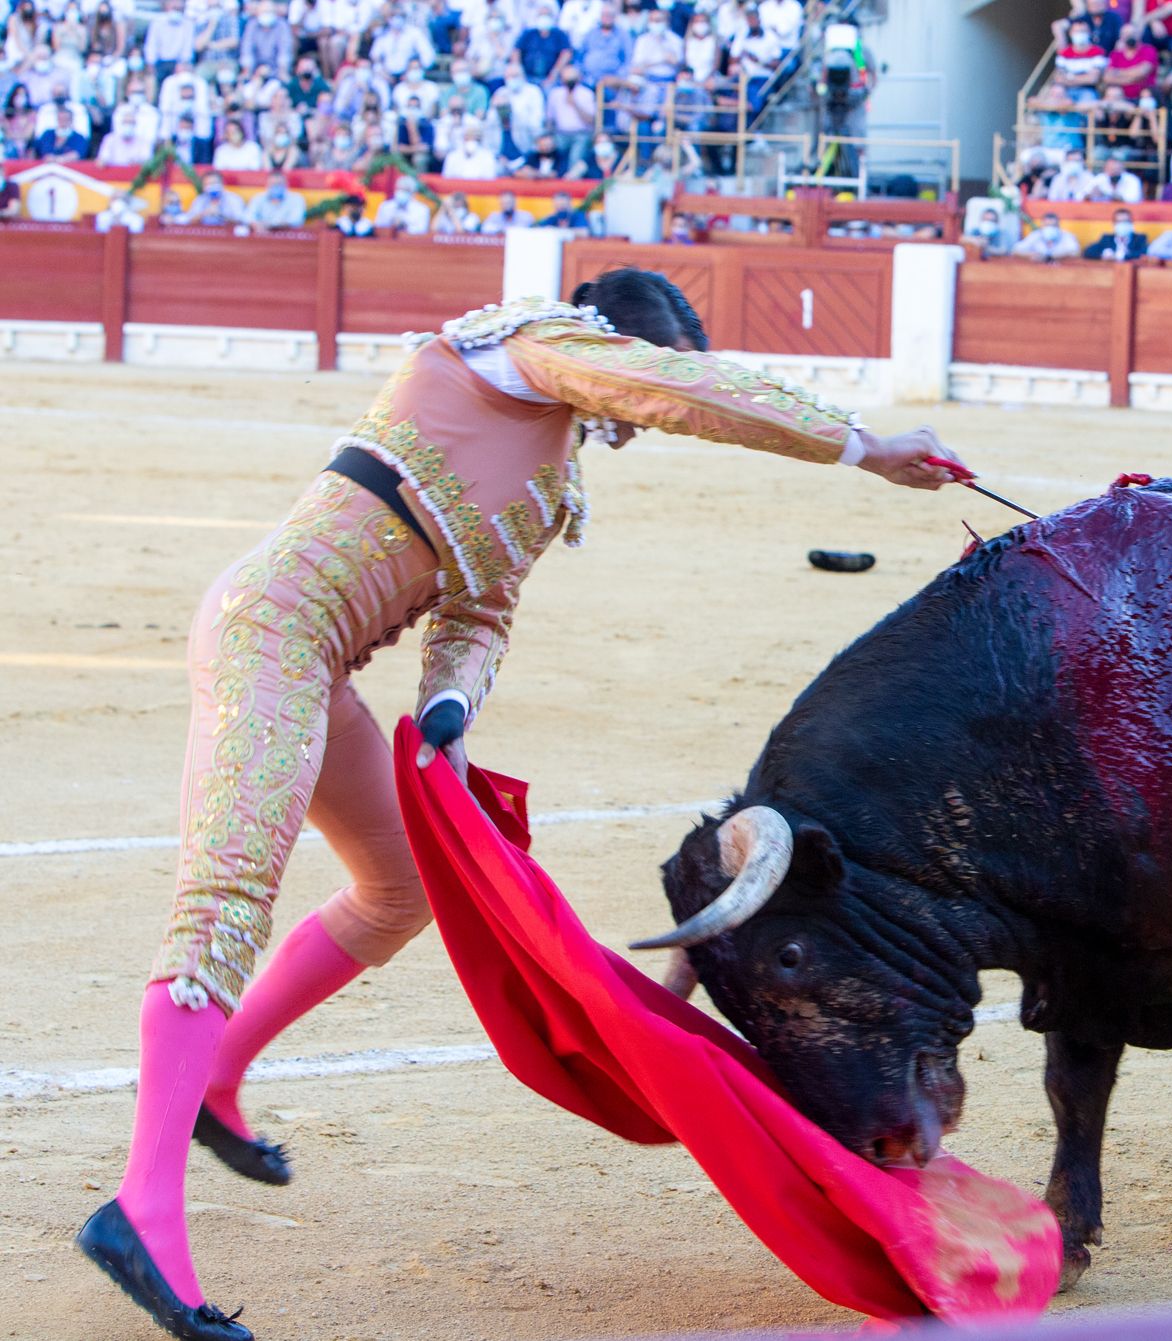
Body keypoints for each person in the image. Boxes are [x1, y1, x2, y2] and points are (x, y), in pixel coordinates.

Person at [74, 270, 970, 1341]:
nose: (639, 422)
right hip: (273, 631)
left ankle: (219, 1072)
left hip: (326, 672)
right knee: (224, 903)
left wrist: (450, 703)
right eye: (647, 388)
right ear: (623, 347)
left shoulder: (550, 480)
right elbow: (682, 395)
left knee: (398, 887)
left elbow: (479, 614)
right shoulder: (521, 344)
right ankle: (143, 1209)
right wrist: (863, 446)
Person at [1084, 208, 1150, 260]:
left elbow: (1144, 253)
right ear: (1114, 224)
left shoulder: (1139, 238)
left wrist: (1120, 256)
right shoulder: (1107, 238)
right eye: (1119, 222)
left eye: (1126, 221)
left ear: (1131, 223)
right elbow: (1088, 252)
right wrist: (1104, 254)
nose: (1122, 224)